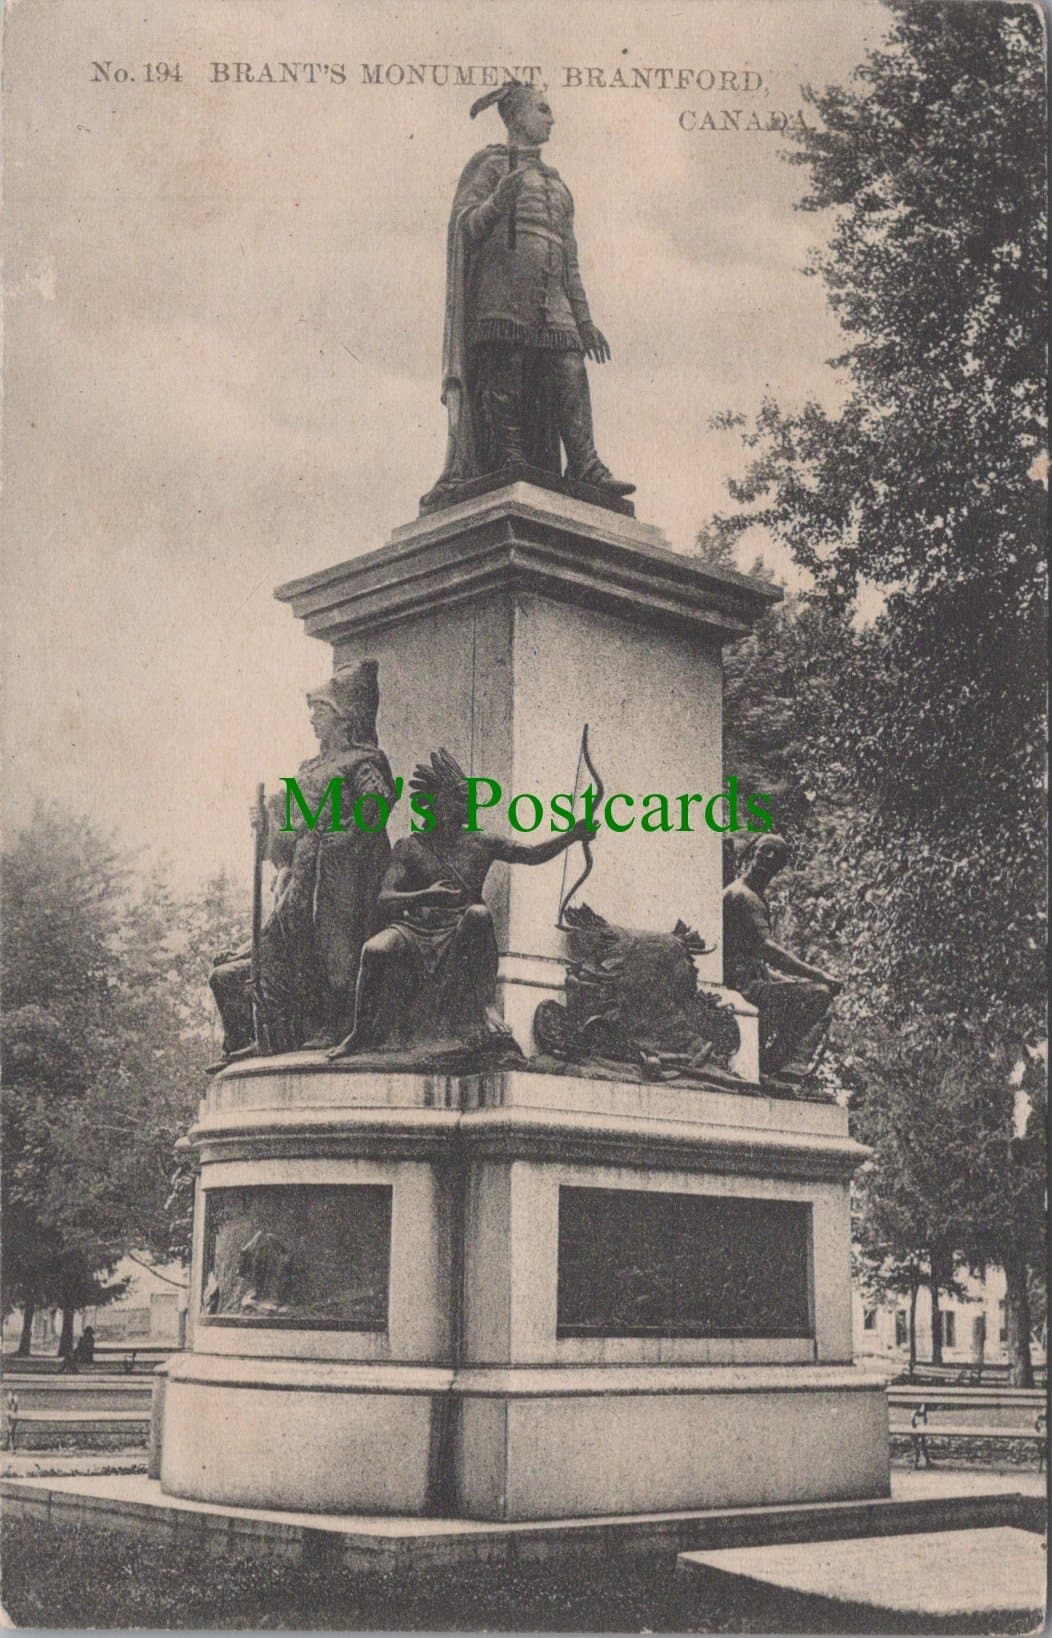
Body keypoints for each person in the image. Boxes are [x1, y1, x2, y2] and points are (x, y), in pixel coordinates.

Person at [422, 81, 634, 508]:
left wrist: (585, 320)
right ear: (517, 116)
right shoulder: (488, 166)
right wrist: (496, 203)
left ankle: (585, 463)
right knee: (505, 372)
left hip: (553, 299)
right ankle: (508, 457)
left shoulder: (557, 184)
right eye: (542, 109)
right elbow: (466, 228)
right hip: (500, 293)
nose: (551, 118)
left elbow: (570, 257)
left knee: (569, 368)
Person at [329, 749, 592, 1055]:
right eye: (458, 799)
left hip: (459, 928)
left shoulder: (481, 842)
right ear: (435, 802)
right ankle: (360, 1032)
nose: (466, 808)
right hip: (417, 929)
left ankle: (487, 1006)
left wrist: (572, 836)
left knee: (478, 913)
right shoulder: (410, 847)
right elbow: (385, 898)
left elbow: (531, 854)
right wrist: (426, 895)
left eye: (467, 801)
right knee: (375, 949)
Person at [208, 660, 397, 1062]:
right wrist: (266, 823)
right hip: (303, 874)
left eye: (320, 711)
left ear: (343, 718)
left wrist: (343, 836)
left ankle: (336, 1024)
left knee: (333, 949)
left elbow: (377, 805)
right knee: (282, 948)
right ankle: (280, 1033)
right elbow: (288, 832)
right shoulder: (308, 769)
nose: (312, 720)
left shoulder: (362, 760)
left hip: (339, 874)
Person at [722, 833, 841, 1079]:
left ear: (780, 866)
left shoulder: (753, 896)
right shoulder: (743, 896)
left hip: (751, 980)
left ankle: (780, 1066)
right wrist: (819, 975)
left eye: (775, 855)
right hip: (744, 987)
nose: (768, 857)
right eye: (764, 850)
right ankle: (778, 1064)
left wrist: (792, 981)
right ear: (752, 853)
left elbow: (753, 956)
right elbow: (767, 950)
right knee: (820, 994)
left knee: (815, 998)